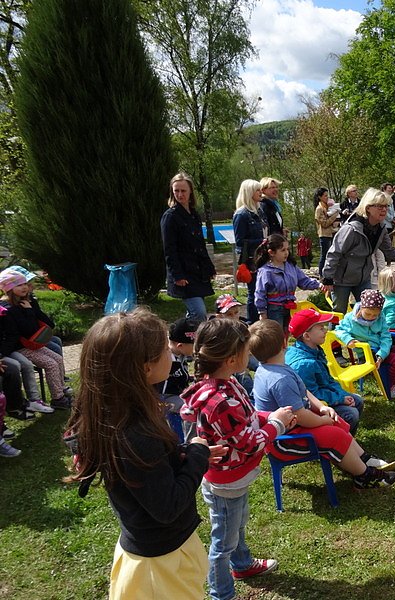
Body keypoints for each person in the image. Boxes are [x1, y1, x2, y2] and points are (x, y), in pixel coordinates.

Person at [64, 309, 225, 599]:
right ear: (144, 368)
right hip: (160, 568)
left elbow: (150, 473)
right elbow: (167, 507)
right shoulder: (135, 432)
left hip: (159, 554)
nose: (171, 354)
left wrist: (183, 454)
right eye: (164, 349)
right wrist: (198, 455)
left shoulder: (115, 412)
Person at [180, 317, 295, 600]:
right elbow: (249, 444)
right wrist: (277, 424)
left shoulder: (226, 383)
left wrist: (268, 416)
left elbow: (245, 418)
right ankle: (222, 594)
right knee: (223, 543)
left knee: (237, 525)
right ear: (232, 359)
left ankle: (242, 565)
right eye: (247, 351)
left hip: (233, 479)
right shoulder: (220, 400)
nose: (250, 355)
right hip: (226, 482)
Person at [251, 319, 395, 487]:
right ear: (284, 343)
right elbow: (299, 416)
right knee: (334, 434)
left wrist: (322, 407)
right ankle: (364, 476)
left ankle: (363, 458)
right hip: (283, 440)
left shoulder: (275, 367)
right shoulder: (280, 379)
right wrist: (322, 421)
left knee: (335, 420)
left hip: (292, 426)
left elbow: (304, 390)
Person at [321, 187, 395, 316]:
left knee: (371, 311)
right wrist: (328, 279)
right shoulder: (351, 229)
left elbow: (389, 251)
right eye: (379, 206)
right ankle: (334, 336)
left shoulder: (380, 228)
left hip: (363, 277)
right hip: (342, 279)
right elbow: (334, 253)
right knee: (339, 314)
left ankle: (364, 336)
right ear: (368, 207)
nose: (384, 210)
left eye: (386, 206)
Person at [285, 309, 365, 436]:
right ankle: (338, 445)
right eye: (321, 328)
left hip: (325, 397)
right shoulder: (303, 364)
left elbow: (327, 381)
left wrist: (342, 395)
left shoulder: (314, 349)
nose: (326, 330)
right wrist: (340, 399)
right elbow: (312, 396)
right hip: (312, 409)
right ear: (307, 336)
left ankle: (348, 440)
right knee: (351, 414)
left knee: (358, 401)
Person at [0, 268, 70, 410]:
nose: (24, 287)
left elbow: (49, 324)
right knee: (50, 364)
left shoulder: (24, 302)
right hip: (21, 348)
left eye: (25, 283)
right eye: (19, 285)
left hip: (32, 345)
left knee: (57, 359)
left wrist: (33, 308)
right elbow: (29, 329)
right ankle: (58, 399)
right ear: (9, 288)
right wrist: (29, 311)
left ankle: (61, 390)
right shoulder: (9, 309)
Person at [334, 289, 395, 399]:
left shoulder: (380, 317)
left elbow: (386, 336)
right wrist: (348, 339)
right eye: (368, 313)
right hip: (367, 352)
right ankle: (389, 386)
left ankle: (393, 382)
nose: (371, 317)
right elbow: (338, 330)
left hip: (381, 348)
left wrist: (382, 354)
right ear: (361, 307)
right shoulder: (350, 319)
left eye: (375, 315)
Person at [160, 172, 216, 320]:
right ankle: (188, 340)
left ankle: (184, 339)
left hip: (197, 272)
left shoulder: (194, 215)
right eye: (176, 191)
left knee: (196, 312)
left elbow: (200, 245)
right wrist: (177, 275)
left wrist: (209, 267)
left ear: (190, 191)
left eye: (183, 190)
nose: (180, 194)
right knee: (198, 312)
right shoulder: (170, 216)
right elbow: (169, 249)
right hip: (183, 272)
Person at [253, 234, 321, 334]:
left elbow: (303, 281)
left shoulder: (291, 266)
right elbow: (260, 293)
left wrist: (318, 285)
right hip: (274, 310)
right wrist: (262, 312)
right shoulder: (265, 271)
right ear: (271, 252)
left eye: (287, 249)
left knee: (287, 334)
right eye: (283, 250)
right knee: (276, 336)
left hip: (290, 308)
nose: (286, 253)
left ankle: (284, 349)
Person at [159, 317, 201, 443]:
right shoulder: (167, 361)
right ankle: (190, 441)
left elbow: (181, 375)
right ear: (180, 345)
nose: (197, 348)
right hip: (165, 399)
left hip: (177, 393)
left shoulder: (180, 354)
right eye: (195, 345)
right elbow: (158, 391)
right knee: (193, 408)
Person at [232, 179, 265, 323]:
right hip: (250, 259)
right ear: (249, 192)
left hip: (261, 256)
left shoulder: (258, 211)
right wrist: (262, 241)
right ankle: (252, 321)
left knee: (262, 289)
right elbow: (240, 241)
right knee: (254, 291)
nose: (260, 193)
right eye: (257, 190)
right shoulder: (241, 214)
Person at [314, 188, 337, 274]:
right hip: (324, 235)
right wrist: (334, 216)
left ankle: (328, 273)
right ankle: (321, 274)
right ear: (320, 197)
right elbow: (324, 224)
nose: (327, 197)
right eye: (325, 196)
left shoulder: (328, 207)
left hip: (331, 233)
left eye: (327, 195)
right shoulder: (319, 209)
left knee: (330, 255)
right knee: (324, 255)